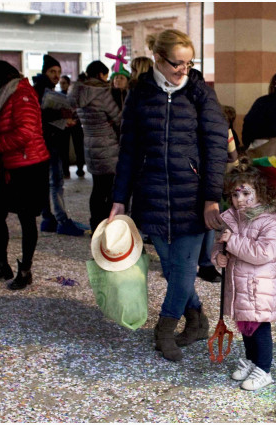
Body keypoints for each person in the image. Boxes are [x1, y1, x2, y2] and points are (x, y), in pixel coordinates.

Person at [109, 29, 228, 362]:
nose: (183, 71)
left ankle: (164, 329)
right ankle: (197, 320)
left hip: (191, 197)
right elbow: (128, 150)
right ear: (158, 59)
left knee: (185, 268)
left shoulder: (199, 93)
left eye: (189, 64)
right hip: (152, 196)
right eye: (177, 63)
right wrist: (119, 199)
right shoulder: (140, 94)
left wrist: (211, 197)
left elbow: (216, 148)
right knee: (173, 267)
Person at [212, 158, 276, 391]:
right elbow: (220, 244)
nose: (239, 200)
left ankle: (264, 370)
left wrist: (232, 242)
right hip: (239, 287)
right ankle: (252, 361)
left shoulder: (270, 221)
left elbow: (265, 252)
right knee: (245, 328)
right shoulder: (232, 218)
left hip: (257, 287)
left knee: (259, 329)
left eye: (246, 194)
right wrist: (218, 257)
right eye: (235, 195)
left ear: (261, 193)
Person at [0, 61, 50, 290]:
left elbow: (26, 133)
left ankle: (25, 270)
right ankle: (1, 265)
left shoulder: (22, 95)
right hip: (5, 165)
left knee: (26, 218)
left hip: (28, 166)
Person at [32, 54, 85, 236]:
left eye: (58, 72)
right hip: (47, 142)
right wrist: (62, 117)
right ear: (45, 71)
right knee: (56, 182)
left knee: (47, 183)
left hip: (46, 142)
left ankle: (49, 218)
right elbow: (41, 117)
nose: (56, 75)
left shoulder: (44, 89)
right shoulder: (41, 91)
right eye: (52, 71)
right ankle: (61, 219)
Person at [68, 60, 122, 232]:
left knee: (97, 188)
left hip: (90, 144)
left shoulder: (77, 92)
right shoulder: (102, 93)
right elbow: (118, 117)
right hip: (108, 145)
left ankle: (95, 225)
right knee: (110, 189)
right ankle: (107, 226)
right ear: (100, 74)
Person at [197, 107, 241, 283]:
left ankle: (201, 263)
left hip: (195, 180)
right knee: (210, 222)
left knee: (207, 223)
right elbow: (233, 159)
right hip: (213, 179)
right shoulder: (223, 127)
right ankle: (205, 264)